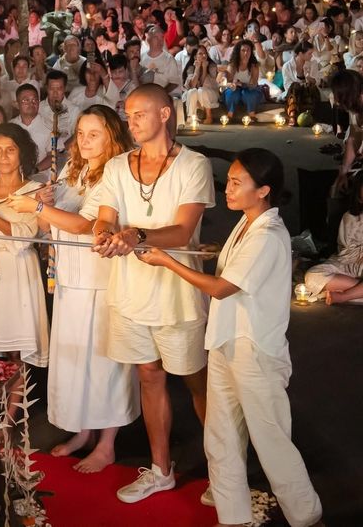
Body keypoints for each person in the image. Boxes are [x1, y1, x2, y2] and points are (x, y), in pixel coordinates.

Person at [136, 149, 324, 527]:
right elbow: (235, 269)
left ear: (264, 190)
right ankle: (232, 515)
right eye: (230, 179)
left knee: (271, 442)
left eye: (239, 183)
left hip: (254, 350)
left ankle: (307, 517)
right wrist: (216, 253)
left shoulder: (268, 234)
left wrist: (168, 261)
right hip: (225, 341)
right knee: (220, 436)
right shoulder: (247, 223)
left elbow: (222, 288)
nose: (229, 189)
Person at [92, 84, 215, 504]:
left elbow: (182, 231)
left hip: (177, 292)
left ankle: (224, 465)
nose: (131, 122)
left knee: (196, 380)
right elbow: (103, 219)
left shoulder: (193, 165)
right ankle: (160, 469)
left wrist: (137, 234)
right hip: (130, 291)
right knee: (149, 375)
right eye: (127, 115)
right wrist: (105, 236)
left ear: (164, 114)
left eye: (139, 114)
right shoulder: (115, 167)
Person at [11, 106, 140, 473]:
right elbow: (55, 217)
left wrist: (36, 205)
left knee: (103, 361)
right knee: (75, 359)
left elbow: (87, 226)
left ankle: (108, 442)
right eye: (81, 133)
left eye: (93, 134)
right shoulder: (73, 168)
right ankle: (83, 429)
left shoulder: (115, 174)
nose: (84, 140)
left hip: (99, 279)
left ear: (111, 136)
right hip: (70, 277)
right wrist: (45, 203)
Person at [0, 124, 49, 367]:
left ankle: (14, 405)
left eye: (10, 150)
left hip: (18, 267)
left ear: (21, 153)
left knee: (15, 348)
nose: (3, 157)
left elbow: (27, 235)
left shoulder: (35, 191)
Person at [305, 173, 363, 303]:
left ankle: (345, 296)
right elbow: (346, 252)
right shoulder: (350, 218)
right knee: (312, 277)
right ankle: (357, 293)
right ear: (359, 198)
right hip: (348, 265)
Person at [9, 84, 53, 171]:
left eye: (34, 100)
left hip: (40, 176)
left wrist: (35, 170)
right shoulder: (10, 126)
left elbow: (53, 155)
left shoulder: (50, 126)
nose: (31, 103)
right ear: (17, 104)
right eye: (26, 100)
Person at [221, 39, 263, 121]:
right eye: (243, 50)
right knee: (232, 92)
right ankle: (230, 114)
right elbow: (227, 82)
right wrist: (233, 84)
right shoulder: (233, 65)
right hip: (235, 89)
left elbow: (253, 84)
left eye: (248, 50)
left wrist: (243, 85)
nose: (246, 53)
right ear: (238, 52)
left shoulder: (254, 66)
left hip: (249, 90)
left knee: (248, 93)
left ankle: (251, 114)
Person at [181, 46, 220, 124]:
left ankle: (209, 116)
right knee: (193, 91)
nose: (204, 56)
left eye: (205, 53)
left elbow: (203, 84)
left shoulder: (212, 66)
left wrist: (205, 68)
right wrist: (197, 68)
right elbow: (192, 85)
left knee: (201, 90)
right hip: (195, 94)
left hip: (210, 92)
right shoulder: (191, 67)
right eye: (200, 54)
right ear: (195, 56)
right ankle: (190, 117)